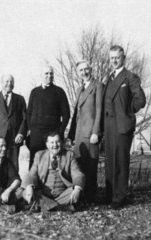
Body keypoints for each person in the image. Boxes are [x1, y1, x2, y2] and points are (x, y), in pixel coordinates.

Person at [102, 45, 146, 209]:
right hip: (109, 126)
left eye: (117, 58)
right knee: (110, 161)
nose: (114, 60)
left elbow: (140, 100)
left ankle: (119, 197)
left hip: (122, 126)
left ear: (123, 58)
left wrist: (127, 112)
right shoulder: (109, 78)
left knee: (120, 161)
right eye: (112, 58)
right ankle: (110, 195)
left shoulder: (130, 77)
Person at [67, 60, 103, 204]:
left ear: (91, 69)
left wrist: (96, 132)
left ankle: (91, 198)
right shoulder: (79, 89)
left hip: (91, 134)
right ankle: (81, 197)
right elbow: (76, 114)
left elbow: (99, 110)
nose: (84, 72)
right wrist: (71, 136)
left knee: (91, 166)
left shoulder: (98, 86)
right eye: (81, 70)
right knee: (80, 166)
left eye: (86, 69)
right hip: (79, 135)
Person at [22, 132, 85, 212]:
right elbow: (31, 174)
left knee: (76, 191)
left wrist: (77, 189)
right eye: (52, 142)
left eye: (57, 142)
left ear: (61, 143)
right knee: (26, 191)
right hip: (44, 194)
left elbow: (77, 173)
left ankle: (46, 206)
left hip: (63, 195)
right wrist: (29, 187)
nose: (55, 145)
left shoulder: (69, 155)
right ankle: (60, 207)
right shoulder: (39, 155)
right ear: (47, 145)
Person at [27, 65, 70, 169]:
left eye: (51, 73)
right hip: (36, 134)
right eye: (46, 73)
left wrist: (60, 132)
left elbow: (66, 114)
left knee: (53, 161)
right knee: (35, 162)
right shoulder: (34, 92)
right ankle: (32, 184)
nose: (49, 76)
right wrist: (30, 129)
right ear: (41, 75)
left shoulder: (59, 91)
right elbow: (28, 113)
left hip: (53, 134)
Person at [0, 74, 27, 171]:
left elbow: (25, 119)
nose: (9, 84)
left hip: (14, 139)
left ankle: (12, 185)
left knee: (13, 167)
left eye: (11, 82)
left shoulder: (20, 99)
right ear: (2, 83)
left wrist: (21, 133)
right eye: (7, 81)